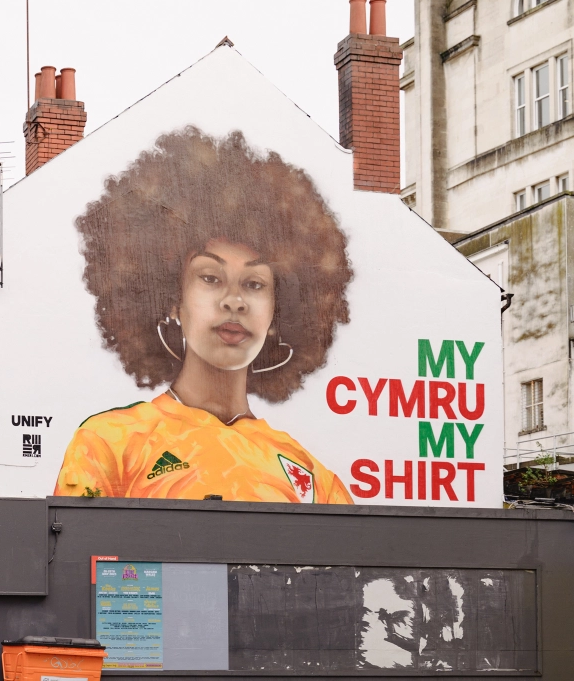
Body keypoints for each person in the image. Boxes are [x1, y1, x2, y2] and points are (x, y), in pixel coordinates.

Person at [54, 127, 354, 503]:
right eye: (211, 278)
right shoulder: (109, 443)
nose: (234, 301)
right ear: (171, 300)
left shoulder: (313, 477)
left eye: (255, 284)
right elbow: (78, 556)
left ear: (279, 313)